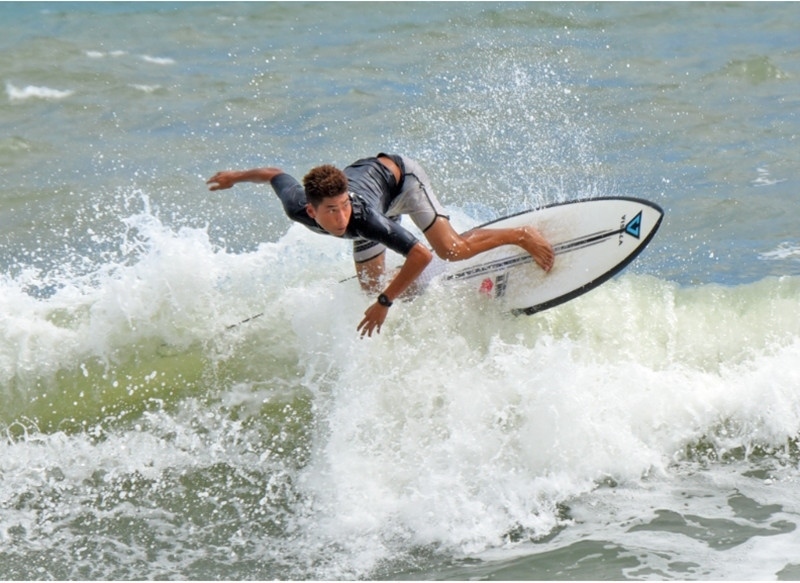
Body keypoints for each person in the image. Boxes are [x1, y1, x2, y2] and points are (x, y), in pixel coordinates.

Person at [207, 153, 554, 337]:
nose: (341, 216)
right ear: (311, 211)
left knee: (449, 251)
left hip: (402, 182)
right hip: (378, 199)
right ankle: (420, 279)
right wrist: (235, 177)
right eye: (331, 210)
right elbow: (273, 174)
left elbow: (420, 254)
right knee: (371, 286)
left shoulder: (361, 218)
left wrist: (385, 303)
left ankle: (519, 235)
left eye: (344, 205)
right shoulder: (297, 204)